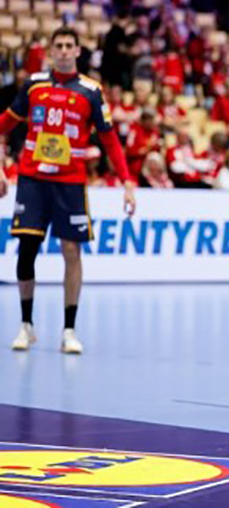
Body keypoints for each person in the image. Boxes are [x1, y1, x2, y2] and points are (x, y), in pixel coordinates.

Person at [0, 27, 136, 354]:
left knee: (72, 252)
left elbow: (110, 141)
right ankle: (26, 325)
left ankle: (69, 330)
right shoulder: (33, 85)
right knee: (27, 249)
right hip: (32, 180)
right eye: (58, 45)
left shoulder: (91, 91)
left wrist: (127, 181)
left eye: (68, 45)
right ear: (51, 51)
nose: (63, 50)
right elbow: (4, 124)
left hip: (70, 183)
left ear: (77, 51)